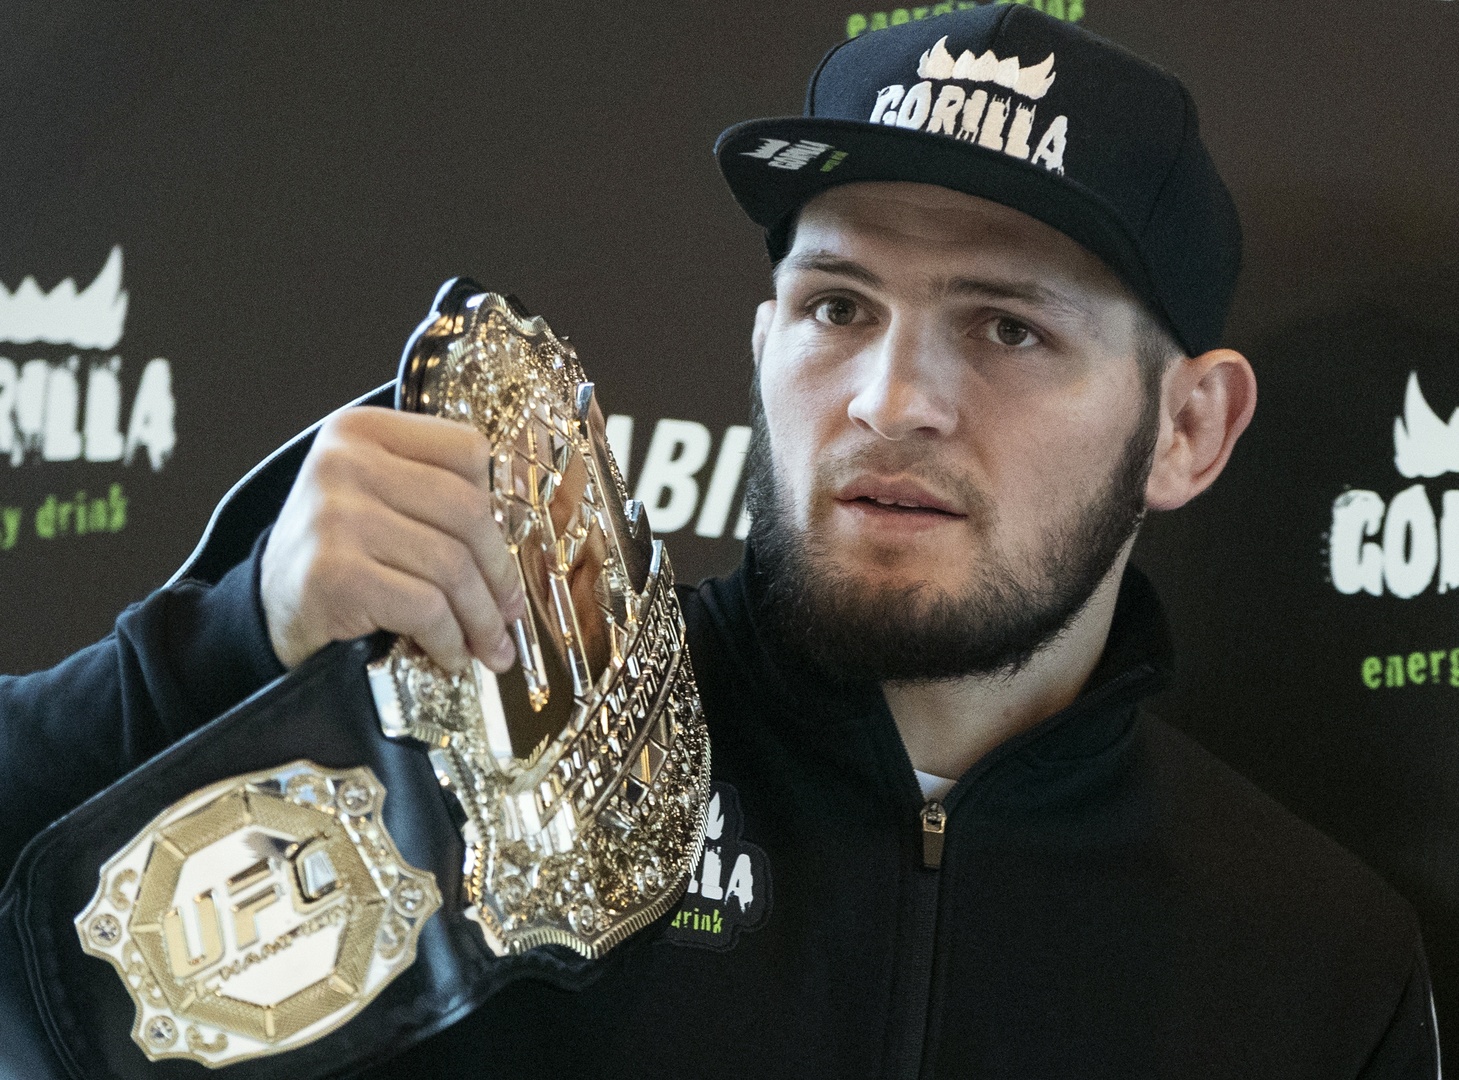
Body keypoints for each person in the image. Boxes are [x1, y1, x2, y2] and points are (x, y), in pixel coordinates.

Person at [0, 6, 1441, 1077]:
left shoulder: (1316, 964)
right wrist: (225, 649)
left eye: (1008, 328)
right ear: (762, 347)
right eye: (839, 308)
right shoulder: (495, 703)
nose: (890, 400)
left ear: (1189, 428)